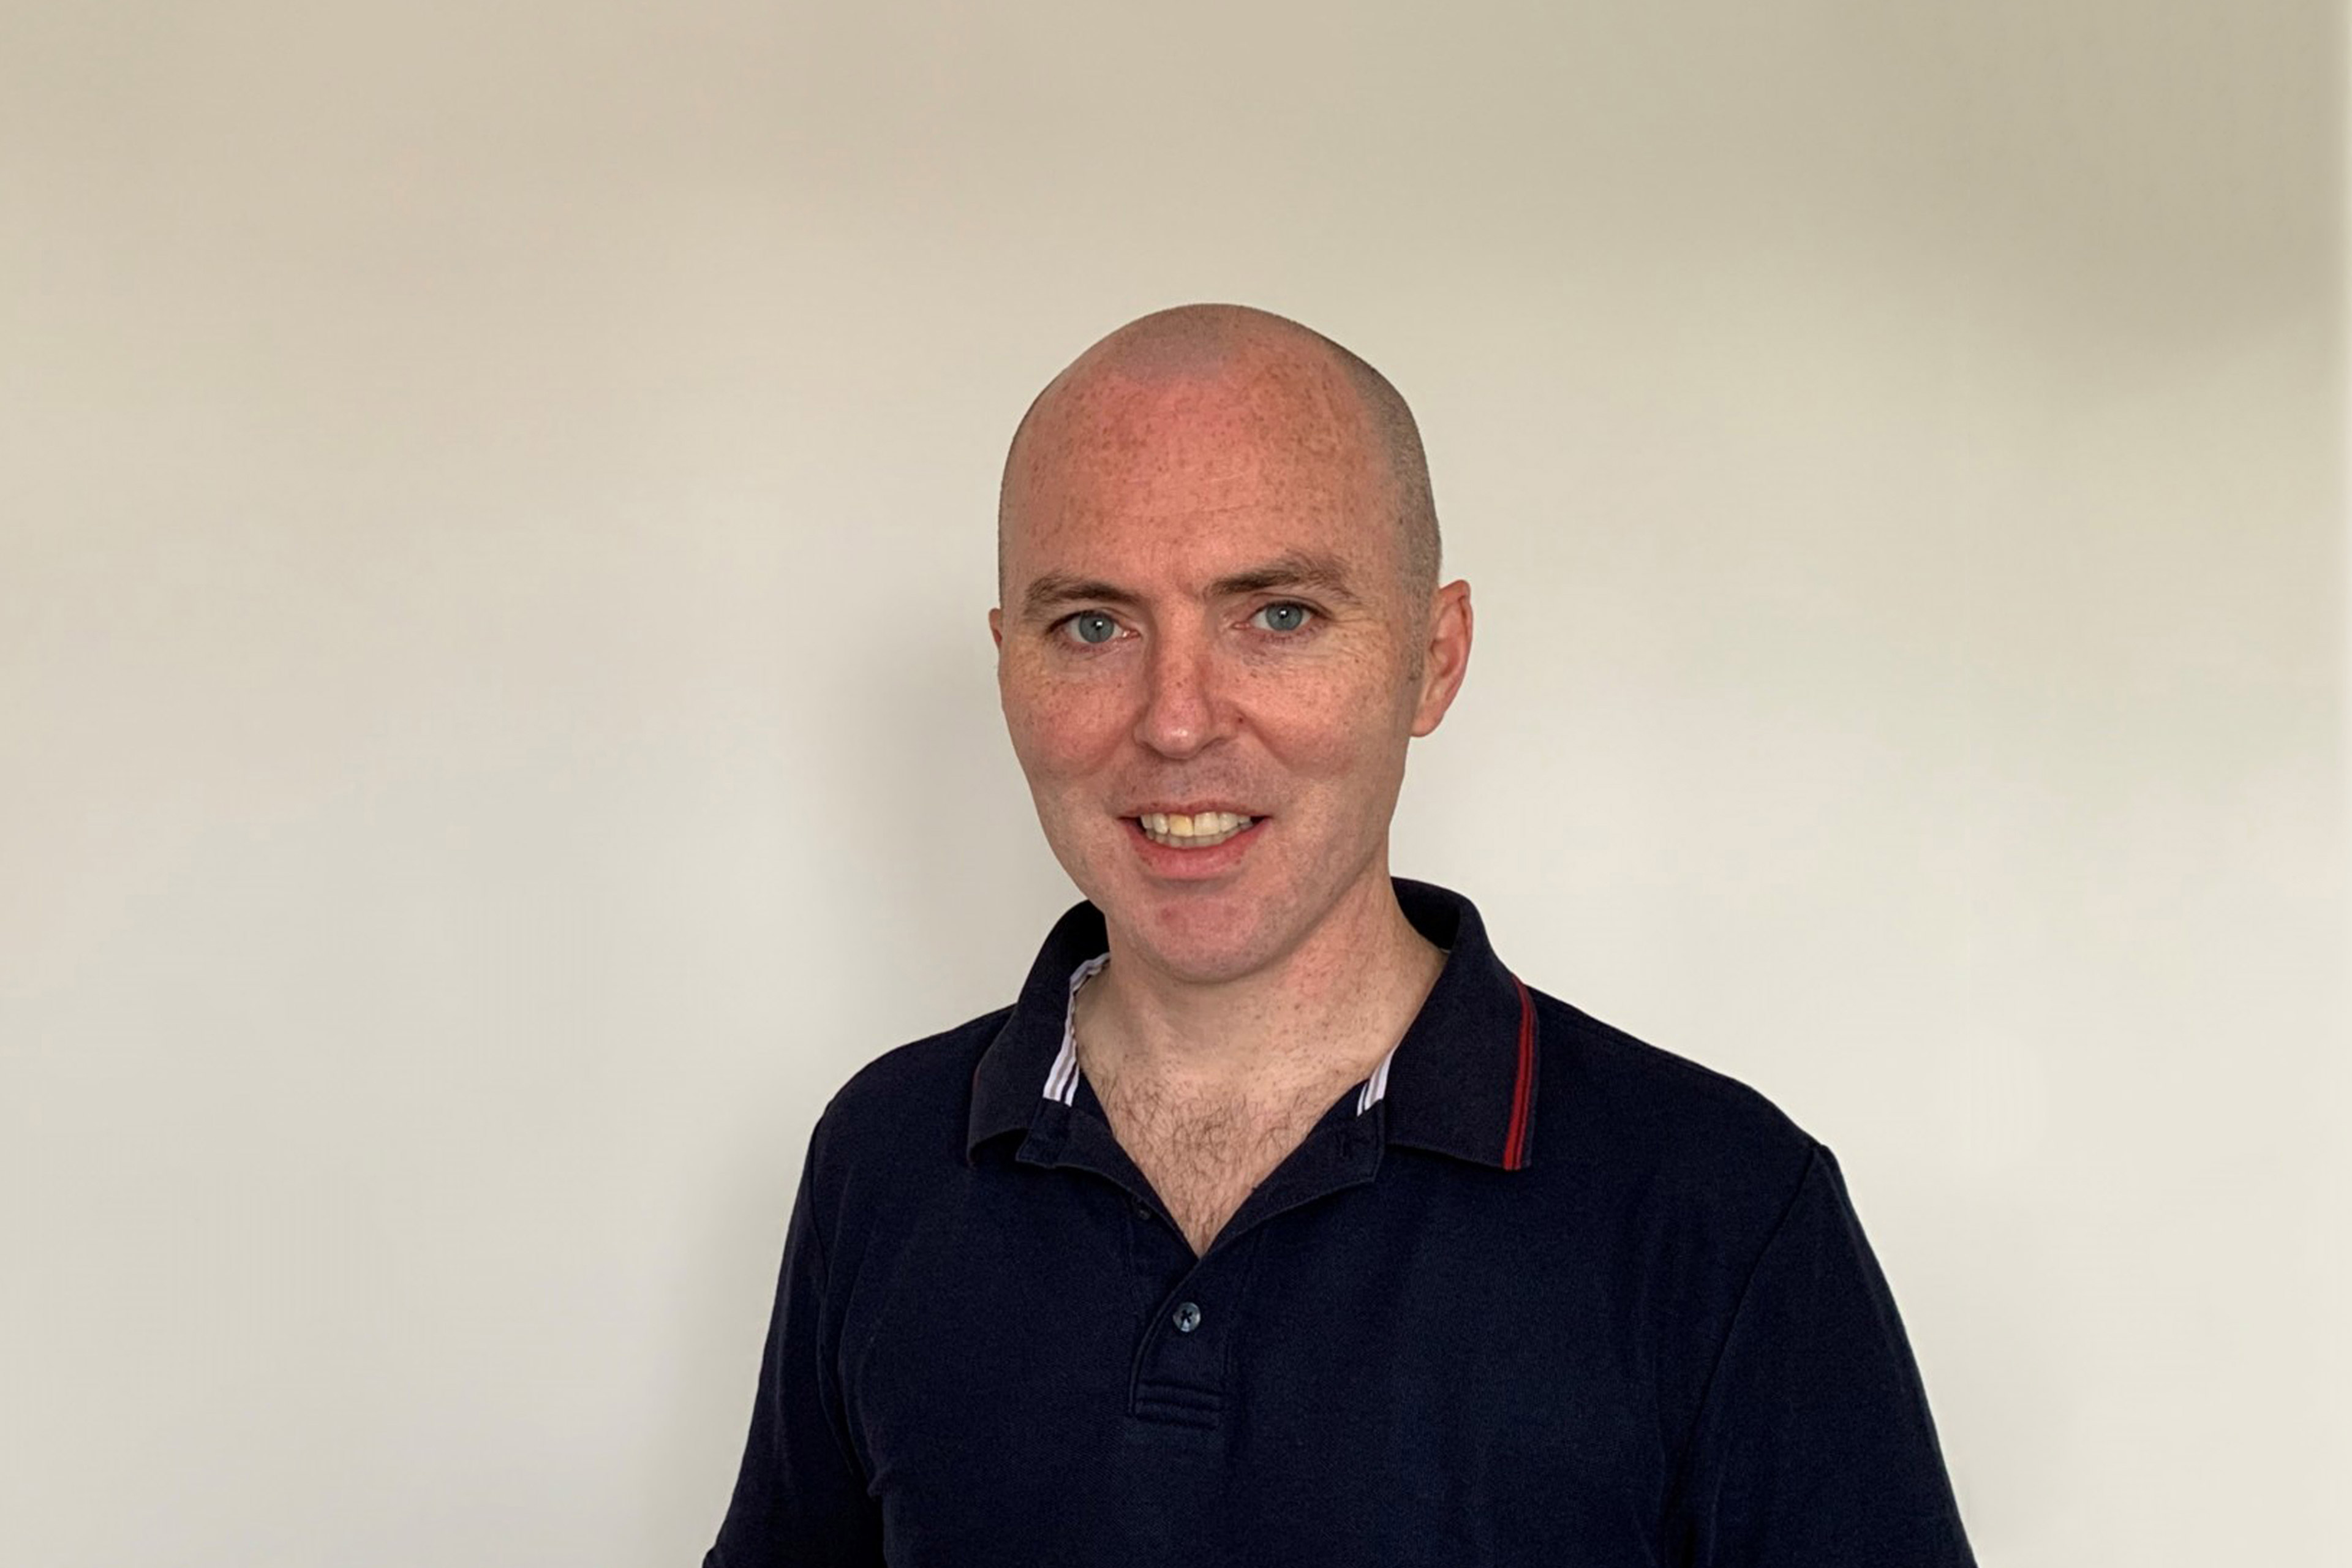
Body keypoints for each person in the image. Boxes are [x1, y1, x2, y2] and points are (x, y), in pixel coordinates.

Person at [704, 304, 1975, 1566]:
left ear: (1434, 657)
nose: (1178, 721)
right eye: (1093, 624)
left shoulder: (1723, 1212)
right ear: (1008, 666)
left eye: (1279, 615)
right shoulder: (885, 1155)